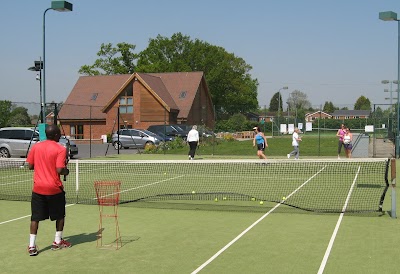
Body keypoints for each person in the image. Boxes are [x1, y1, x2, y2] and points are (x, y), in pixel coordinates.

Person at [26, 124, 71, 256]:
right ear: (56, 135)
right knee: (60, 216)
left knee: (35, 218)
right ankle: (57, 242)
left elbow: (30, 166)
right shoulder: (60, 149)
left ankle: (32, 246)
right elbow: (59, 170)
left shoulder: (36, 146)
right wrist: (66, 171)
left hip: (38, 188)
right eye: (59, 135)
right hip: (54, 189)